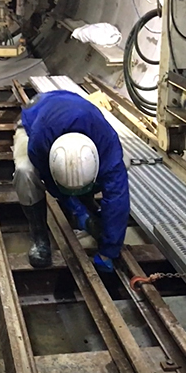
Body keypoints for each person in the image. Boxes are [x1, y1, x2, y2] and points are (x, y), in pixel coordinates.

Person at [13, 90, 130, 272]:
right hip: (36, 113)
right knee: (25, 171)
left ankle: (86, 200)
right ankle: (39, 235)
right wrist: (78, 211)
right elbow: (51, 183)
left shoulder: (107, 144)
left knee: (124, 165)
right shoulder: (39, 142)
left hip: (73, 108)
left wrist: (109, 250)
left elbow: (118, 196)